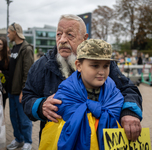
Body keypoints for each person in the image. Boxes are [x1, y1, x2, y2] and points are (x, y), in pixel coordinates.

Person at [22, 14, 142, 143]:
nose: (62, 40)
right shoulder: (42, 65)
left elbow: (128, 89)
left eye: (69, 35)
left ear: (84, 39)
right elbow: (27, 97)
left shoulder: (102, 62)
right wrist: (40, 106)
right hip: (57, 141)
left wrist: (129, 112)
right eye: (58, 34)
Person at [39, 39, 138, 150]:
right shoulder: (65, 96)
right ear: (79, 66)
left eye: (106, 66)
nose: (102, 72)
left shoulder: (114, 94)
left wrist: (130, 114)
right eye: (95, 66)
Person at [7, 23, 34, 150]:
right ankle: (19, 140)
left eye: (9, 32)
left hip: (20, 91)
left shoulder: (26, 49)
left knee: (24, 119)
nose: (8, 35)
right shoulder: (14, 47)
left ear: (15, 32)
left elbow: (27, 71)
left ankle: (28, 141)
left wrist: (24, 91)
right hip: (12, 90)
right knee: (14, 118)